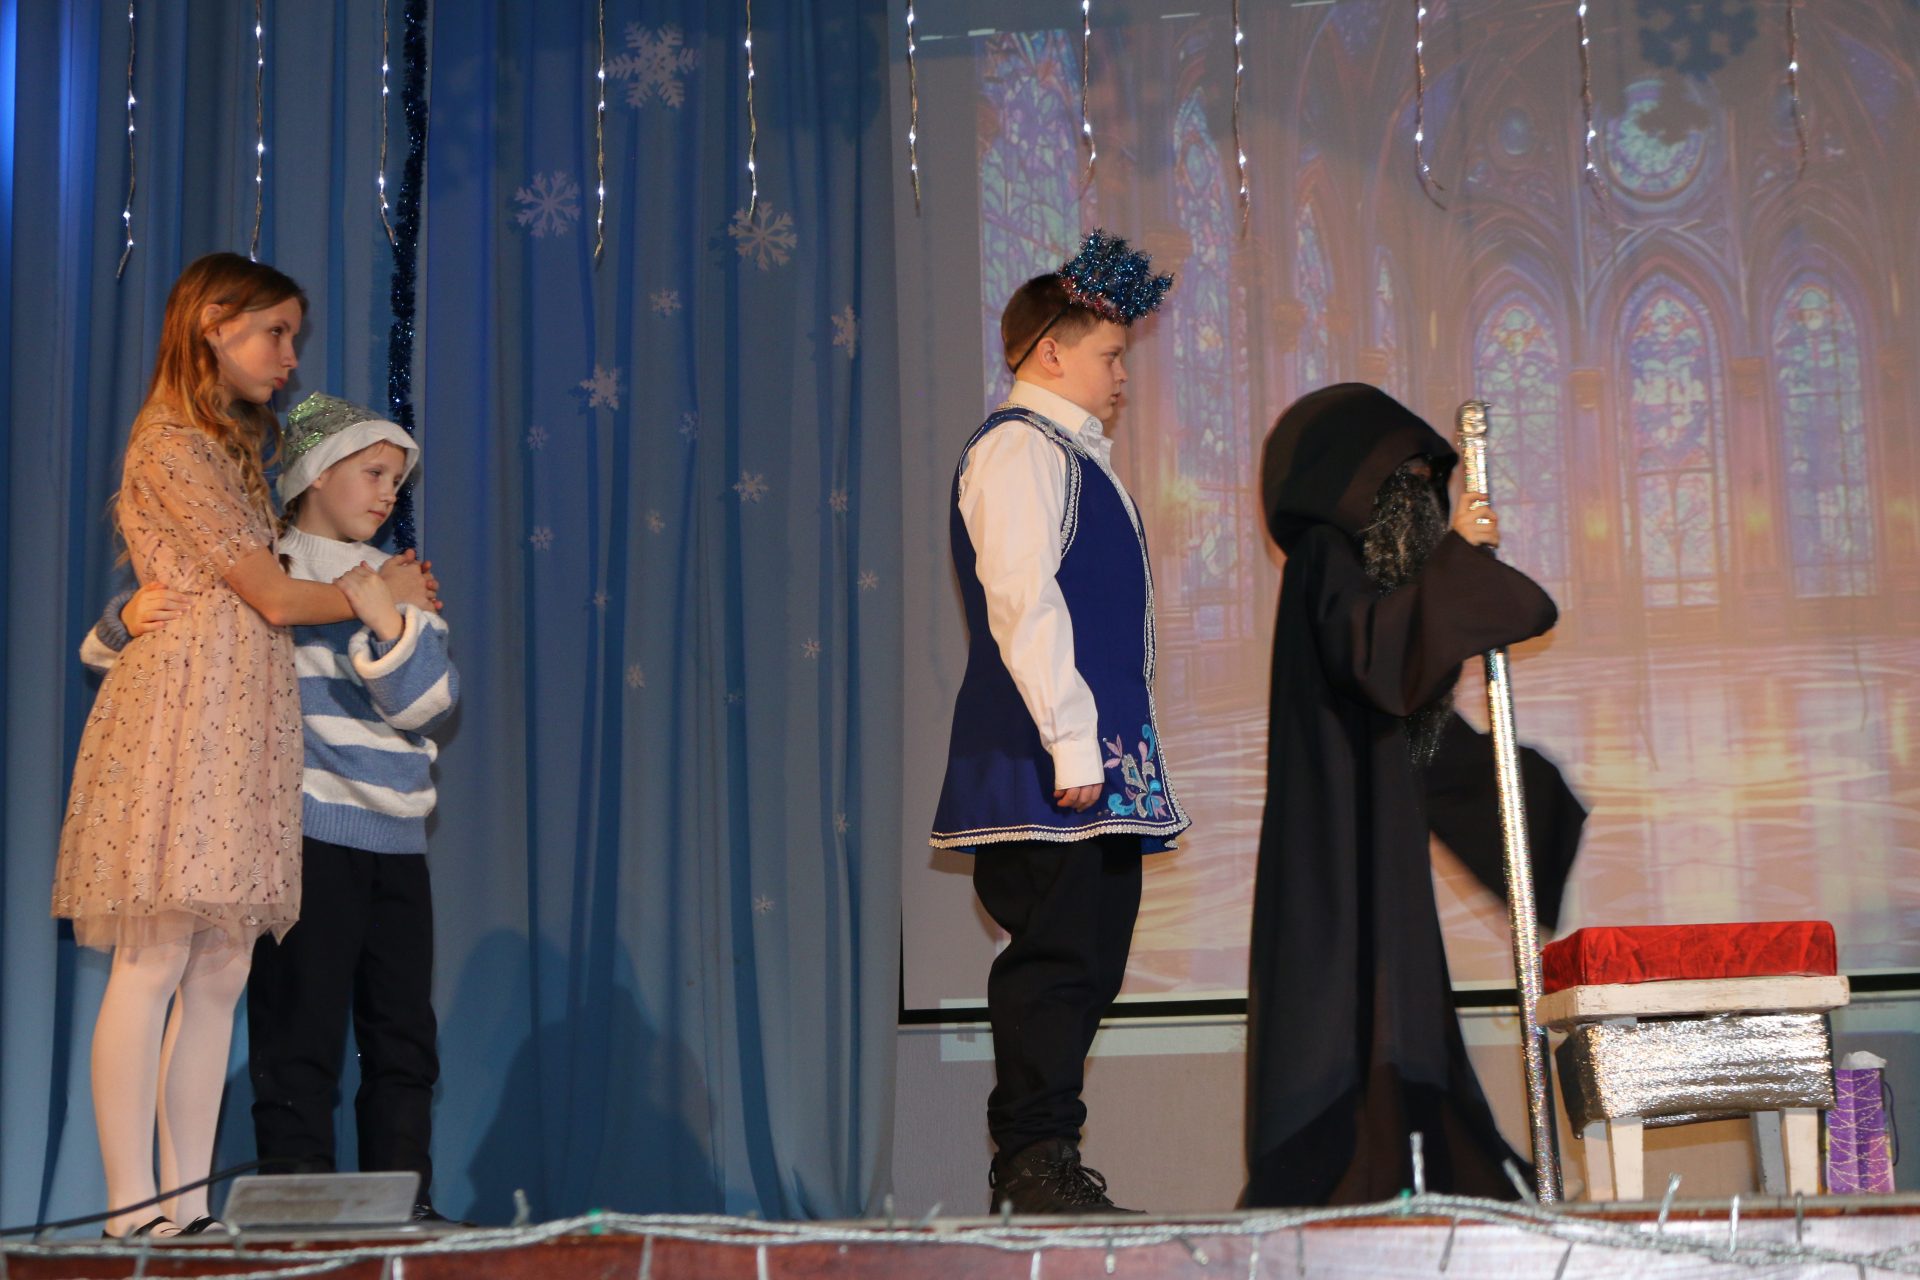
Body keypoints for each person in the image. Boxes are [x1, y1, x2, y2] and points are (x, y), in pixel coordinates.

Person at [51, 253, 432, 1239]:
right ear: (212, 322)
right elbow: (269, 594)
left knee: (219, 969)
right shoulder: (171, 442)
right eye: (275, 332)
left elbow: (236, 588)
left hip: (244, 725)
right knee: (154, 957)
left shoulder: (228, 453)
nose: (288, 355)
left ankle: (188, 1208)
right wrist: (374, 590)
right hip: (185, 717)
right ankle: (132, 1210)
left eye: (293, 336)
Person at [1243, 382, 1559, 1207]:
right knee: (1351, 1021)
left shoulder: (1356, 570)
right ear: (1364, 483)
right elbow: (1379, 660)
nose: (1425, 497)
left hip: (1367, 838)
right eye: (1411, 479)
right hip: (1337, 852)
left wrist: (1522, 798)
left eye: (1429, 479)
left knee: (1394, 1012)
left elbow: (1411, 713)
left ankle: (1417, 1179)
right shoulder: (1325, 557)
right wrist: (1458, 562)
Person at [930, 230, 1189, 1214]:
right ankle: (1033, 1164)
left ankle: (1046, 1154)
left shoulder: (1068, 455)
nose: (1122, 376)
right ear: (1050, 351)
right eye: (1110, 356)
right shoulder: (1017, 450)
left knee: (1087, 958)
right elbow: (1023, 600)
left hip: (1087, 763)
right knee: (1058, 958)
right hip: (1046, 762)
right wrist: (1073, 744)